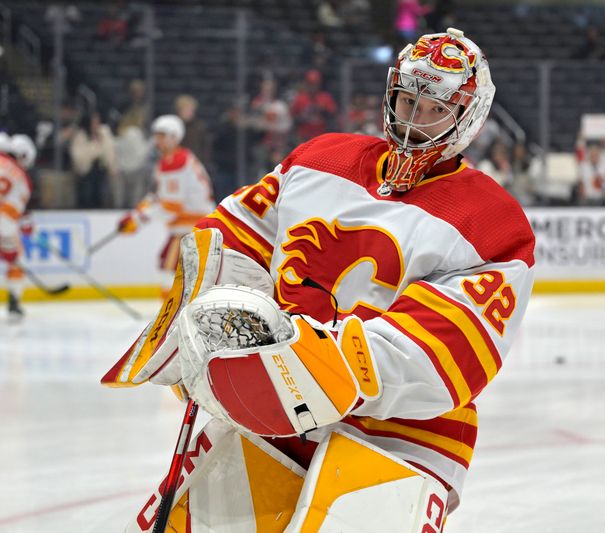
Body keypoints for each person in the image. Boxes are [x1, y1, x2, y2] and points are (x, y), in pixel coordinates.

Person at [102, 28, 535, 531]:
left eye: (433, 109)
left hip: (400, 436)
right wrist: (207, 326)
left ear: (469, 116)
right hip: (268, 411)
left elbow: (444, 349)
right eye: (406, 99)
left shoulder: (493, 226)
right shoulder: (319, 159)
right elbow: (233, 237)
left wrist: (312, 363)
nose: (412, 119)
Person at [117, 115, 215, 297]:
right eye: (157, 135)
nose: (158, 140)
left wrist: (139, 220)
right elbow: (159, 197)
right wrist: (138, 213)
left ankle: (172, 316)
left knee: (169, 269)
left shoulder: (176, 162)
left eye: (163, 135)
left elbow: (171, 208)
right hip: (190, 225)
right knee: (169, 267)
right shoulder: (171, 160)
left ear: (175, 136)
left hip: (191, 227)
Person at [0, 134, 35, 322]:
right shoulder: (21, 178)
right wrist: (10, 250)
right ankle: (14, 301)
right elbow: (6, 218)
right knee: (17, 259)